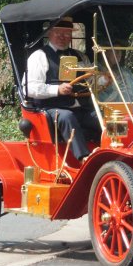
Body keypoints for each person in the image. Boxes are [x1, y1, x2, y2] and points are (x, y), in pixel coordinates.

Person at [25, 17, 101, 163]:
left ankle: (109, 152)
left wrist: (102, 80)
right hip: (51, 109)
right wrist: (57, 90)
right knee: (67, 116)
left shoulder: (80, 56)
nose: (62, 37)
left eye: (66, 33)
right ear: (49, 33)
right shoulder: (39, 56)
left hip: (82, 108)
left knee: (102, 117)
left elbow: (91, 80)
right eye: (58, 33)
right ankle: (84, 158)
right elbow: (30, 88)